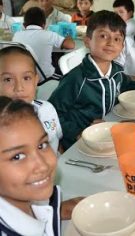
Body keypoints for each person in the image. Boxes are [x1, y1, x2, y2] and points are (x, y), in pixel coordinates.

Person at [48, 10, 135, 151]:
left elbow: (128, 85)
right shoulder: (76, 79)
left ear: (122, 46)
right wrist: (77, 133)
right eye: (103, 36)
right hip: (81, 143)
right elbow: (52, 114)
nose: (111, 42)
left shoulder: (116, 72)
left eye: (117, 39)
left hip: (108, 136)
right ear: (88, 41)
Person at [0, 96, 82, 235]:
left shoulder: (39, 199)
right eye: (17, 156)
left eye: (42, 145)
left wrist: (55, 210)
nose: (42, 165)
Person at [0, 46, 62, 153]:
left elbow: (57, 143)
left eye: (26, 78)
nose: (19, 88)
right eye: (8, 79)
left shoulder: (47, 109)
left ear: (35, 81)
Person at [12, 7, 75, 80]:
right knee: (66, 78)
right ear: (44, 24)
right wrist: (69, 36)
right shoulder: (49, 35)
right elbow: (70, 45)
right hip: (46, 77)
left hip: (25, 78)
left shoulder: (17, 35)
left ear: (24, 25)